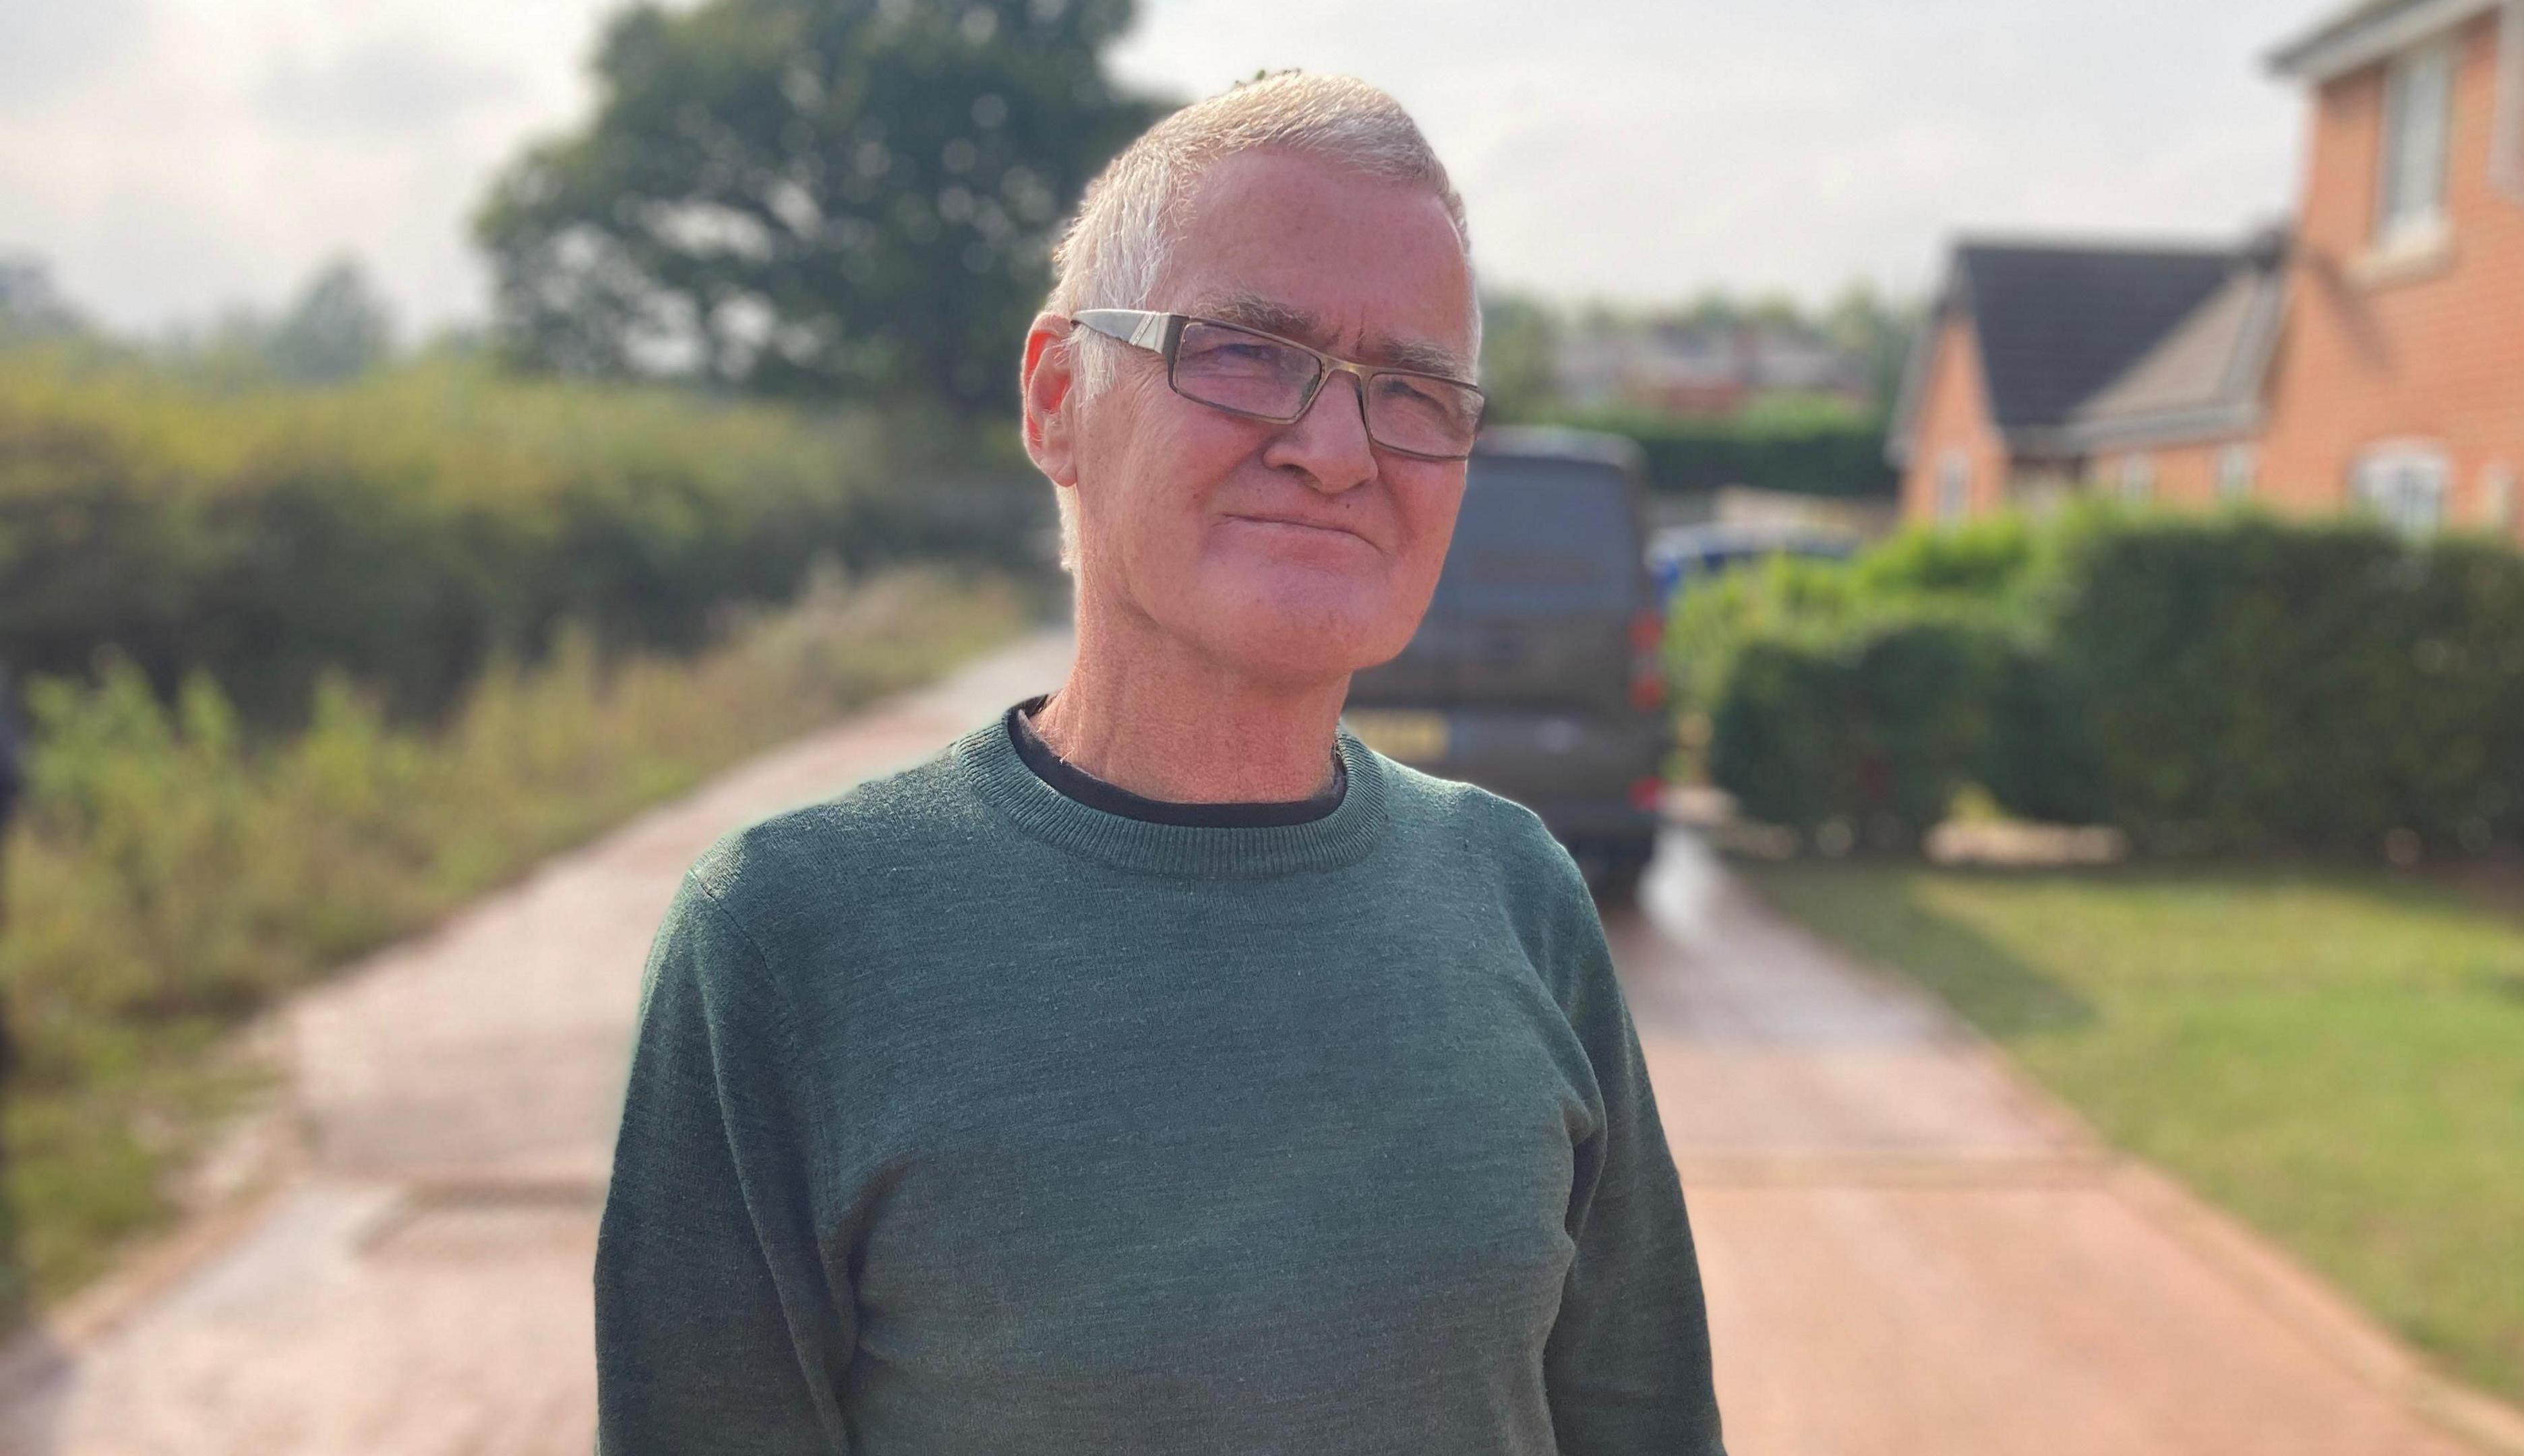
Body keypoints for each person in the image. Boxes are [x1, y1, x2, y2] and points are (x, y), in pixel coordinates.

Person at [593, 72, 1726, 1456]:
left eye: (1416, 390)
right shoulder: (786, 941)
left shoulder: (1519, 897)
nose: (1334, 449)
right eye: (1246, 352)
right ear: (1059, 398)